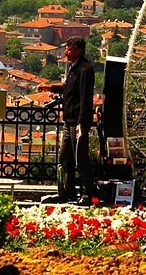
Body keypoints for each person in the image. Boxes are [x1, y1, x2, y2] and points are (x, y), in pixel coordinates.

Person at [50, 36, 94, 204]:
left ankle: (88, 193)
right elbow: (67, 88)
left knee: (80, 158)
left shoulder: (85, 69)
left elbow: (85, 98)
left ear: (78, 51)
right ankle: (67, 193)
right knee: (65, 158)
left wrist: (81, 124)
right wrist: (50, 88)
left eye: (69, 49)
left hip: (77, 122)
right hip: (69, 121)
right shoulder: (73, 68)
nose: (66, 53)